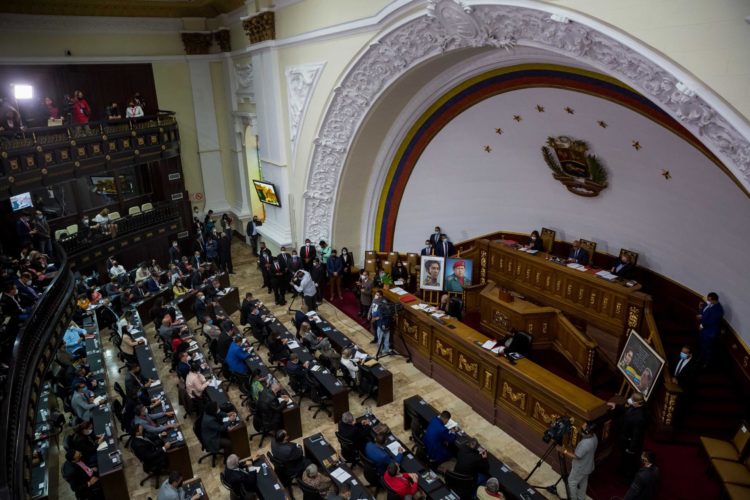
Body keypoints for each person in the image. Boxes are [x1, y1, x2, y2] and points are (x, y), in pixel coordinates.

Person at [606, 393, 647, 481]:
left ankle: (627, 477)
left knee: (629, 461)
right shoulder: (634, 407)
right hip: (624, 437)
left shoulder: (640, 418)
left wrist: (631, 449)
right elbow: (626, 410)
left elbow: (636, 436)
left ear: (639, 403)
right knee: (623, 457)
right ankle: (622, 469)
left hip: (629, 443)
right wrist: (616, 406)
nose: (630, 400)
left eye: (633, 400)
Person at [559, 422, 598, 500]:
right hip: (588, 466)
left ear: (587, 432)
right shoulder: (594, 437)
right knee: (583, 482)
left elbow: (576, 456)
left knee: (571, 482)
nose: (581, 430)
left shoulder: (585, 444)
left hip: (580, 468)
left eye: (583, 429)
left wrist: (564, 451)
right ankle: (581, 497)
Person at [696, 292, 724, 367]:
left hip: (710, 332)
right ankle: (701, 357)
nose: (707, 301)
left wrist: (702, 325)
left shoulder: (718, 310)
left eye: (709, 300)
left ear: (714, 300)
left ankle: (706, 363)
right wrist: (700, 312)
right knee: (702, 345)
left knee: (708, 348)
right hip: (703, 331)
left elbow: (712, 321)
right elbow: (704, 312)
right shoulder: (709, 304)